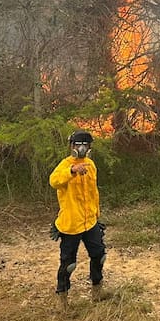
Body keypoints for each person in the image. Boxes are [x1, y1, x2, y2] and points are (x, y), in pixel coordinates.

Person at [49, 130, 107, 310]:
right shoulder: (65, 165)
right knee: (69, 264)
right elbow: (54, 181)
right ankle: (62, 298)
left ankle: (97, 291)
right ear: (72, 146)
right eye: (78, 144)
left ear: (89, 147)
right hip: (71, 224)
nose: (81, 148)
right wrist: (71, 171)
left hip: (90, 222)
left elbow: (94, 193)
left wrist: (96, 215)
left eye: (85, 145)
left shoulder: (91, 165)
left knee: (99, 256)